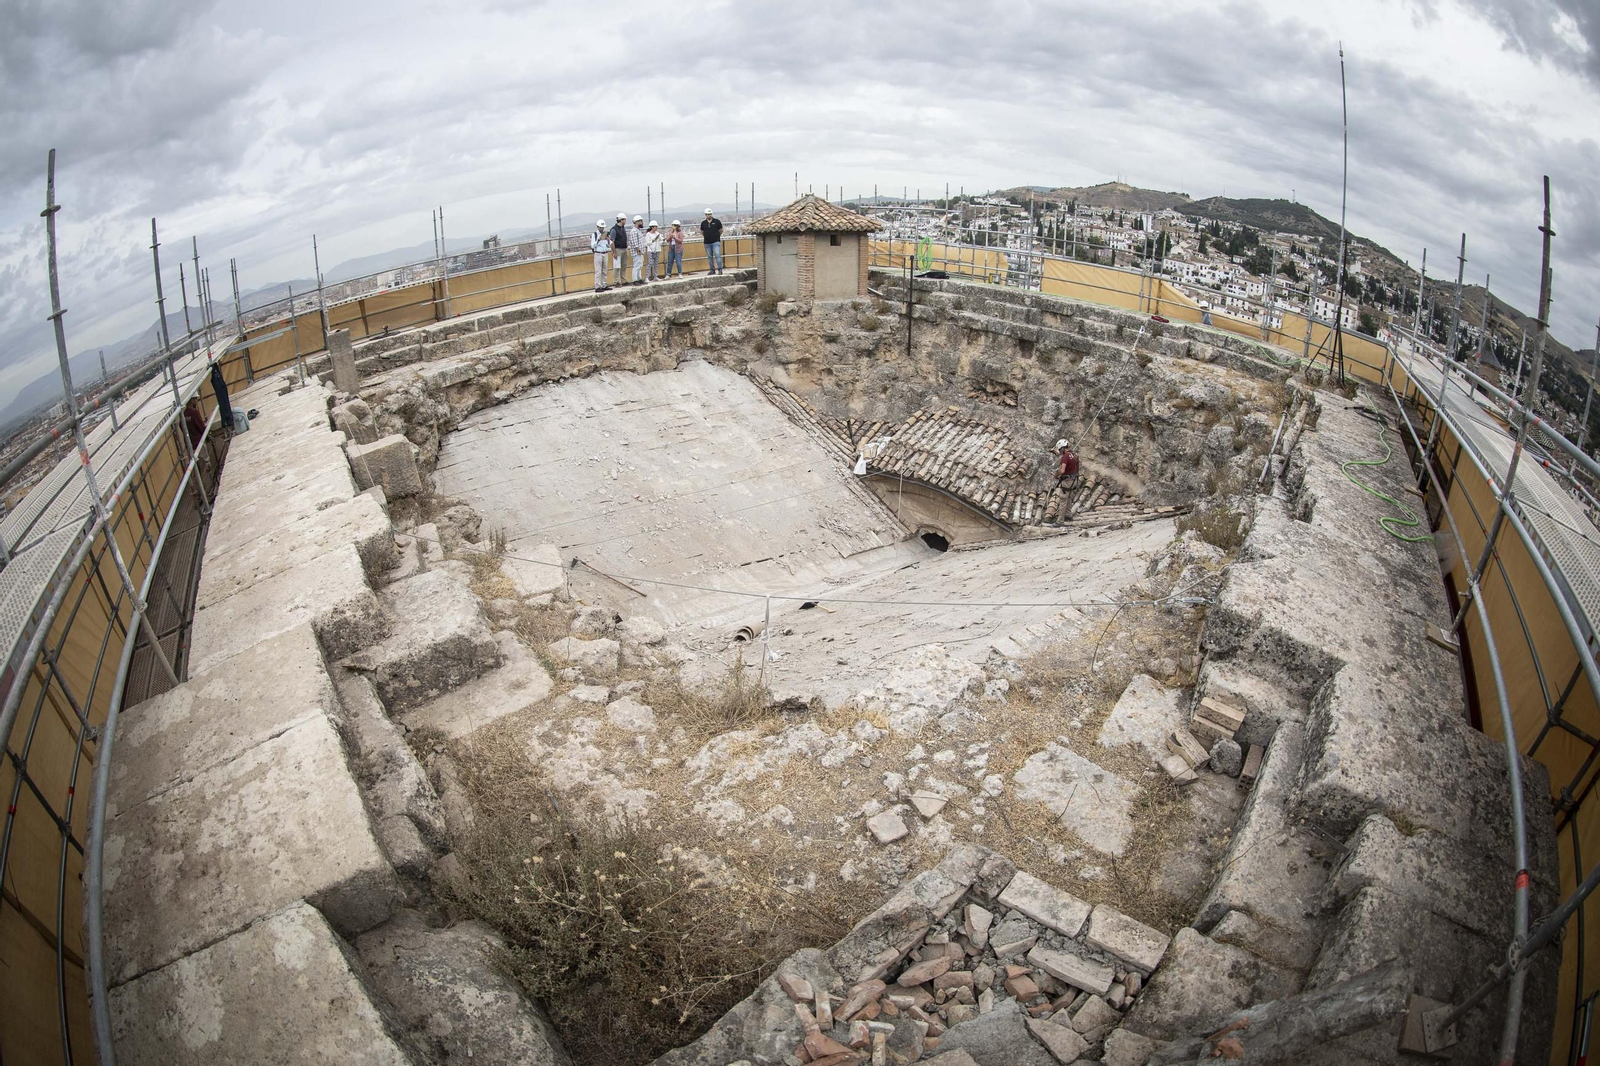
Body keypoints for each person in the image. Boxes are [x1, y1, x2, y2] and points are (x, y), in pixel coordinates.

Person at [700, 207, 723, 275]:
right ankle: (712, 270)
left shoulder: (717, 221)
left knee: (717, 255)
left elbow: (720, 230)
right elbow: (702, 231)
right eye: (707, 214)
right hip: (707, 242)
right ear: (705, 215)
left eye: (709, 214)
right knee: (710, 257)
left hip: (715, 241)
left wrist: (716, 236)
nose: (708, 215)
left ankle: (720, 269)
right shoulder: (703, 223)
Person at [590, 220, 612, 291]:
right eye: (600, 227)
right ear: (597, 227)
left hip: (605, 253)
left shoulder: (605, 234)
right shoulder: (595, 235)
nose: (602, 229)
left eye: (603, 227)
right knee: (598, 271)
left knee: (604, 270)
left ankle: (604, 285)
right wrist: (598, 240)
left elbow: (608, 245)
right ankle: (597, 286)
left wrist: (608, 240)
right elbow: (592, 245)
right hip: (598, 253)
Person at [609, 213, 628, 287]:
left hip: (623, 248)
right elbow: (611, 241)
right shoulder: (614, 229)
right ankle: (616, 281)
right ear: (621, 220)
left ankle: (623, 280)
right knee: (617, 266)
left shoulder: (622, 228)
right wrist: (614, 252)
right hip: (617, 249)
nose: (625, 221)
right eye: (624, 219)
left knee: (624, 265)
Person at [628, 214, 648, 285]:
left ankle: (639, 278)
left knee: (640, 266)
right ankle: (635, 280)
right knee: (636, 266)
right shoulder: (634, 231)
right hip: (637, 252)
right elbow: (634, 242)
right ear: (636, 222)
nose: (642, 223)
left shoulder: (638, 231)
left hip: (640, 252)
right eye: (640, 221)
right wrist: (638, 250)